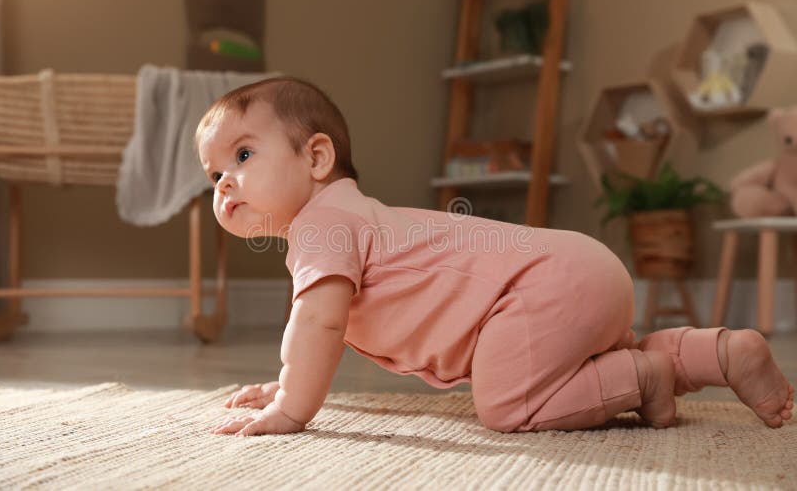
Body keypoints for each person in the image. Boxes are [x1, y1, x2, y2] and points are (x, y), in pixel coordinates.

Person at [197, 76, 794, 436]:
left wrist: (290, 404)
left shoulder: (323, 227)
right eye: (215, 173)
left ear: (317, 159)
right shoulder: (353, 218)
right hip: (572, 269)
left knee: (507, 401)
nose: (224, 182)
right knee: (576, 361)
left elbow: (318, 324)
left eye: (244, 156)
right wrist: (282, 385)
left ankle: (639, 377)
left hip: (537, 286)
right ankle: (719, 352)